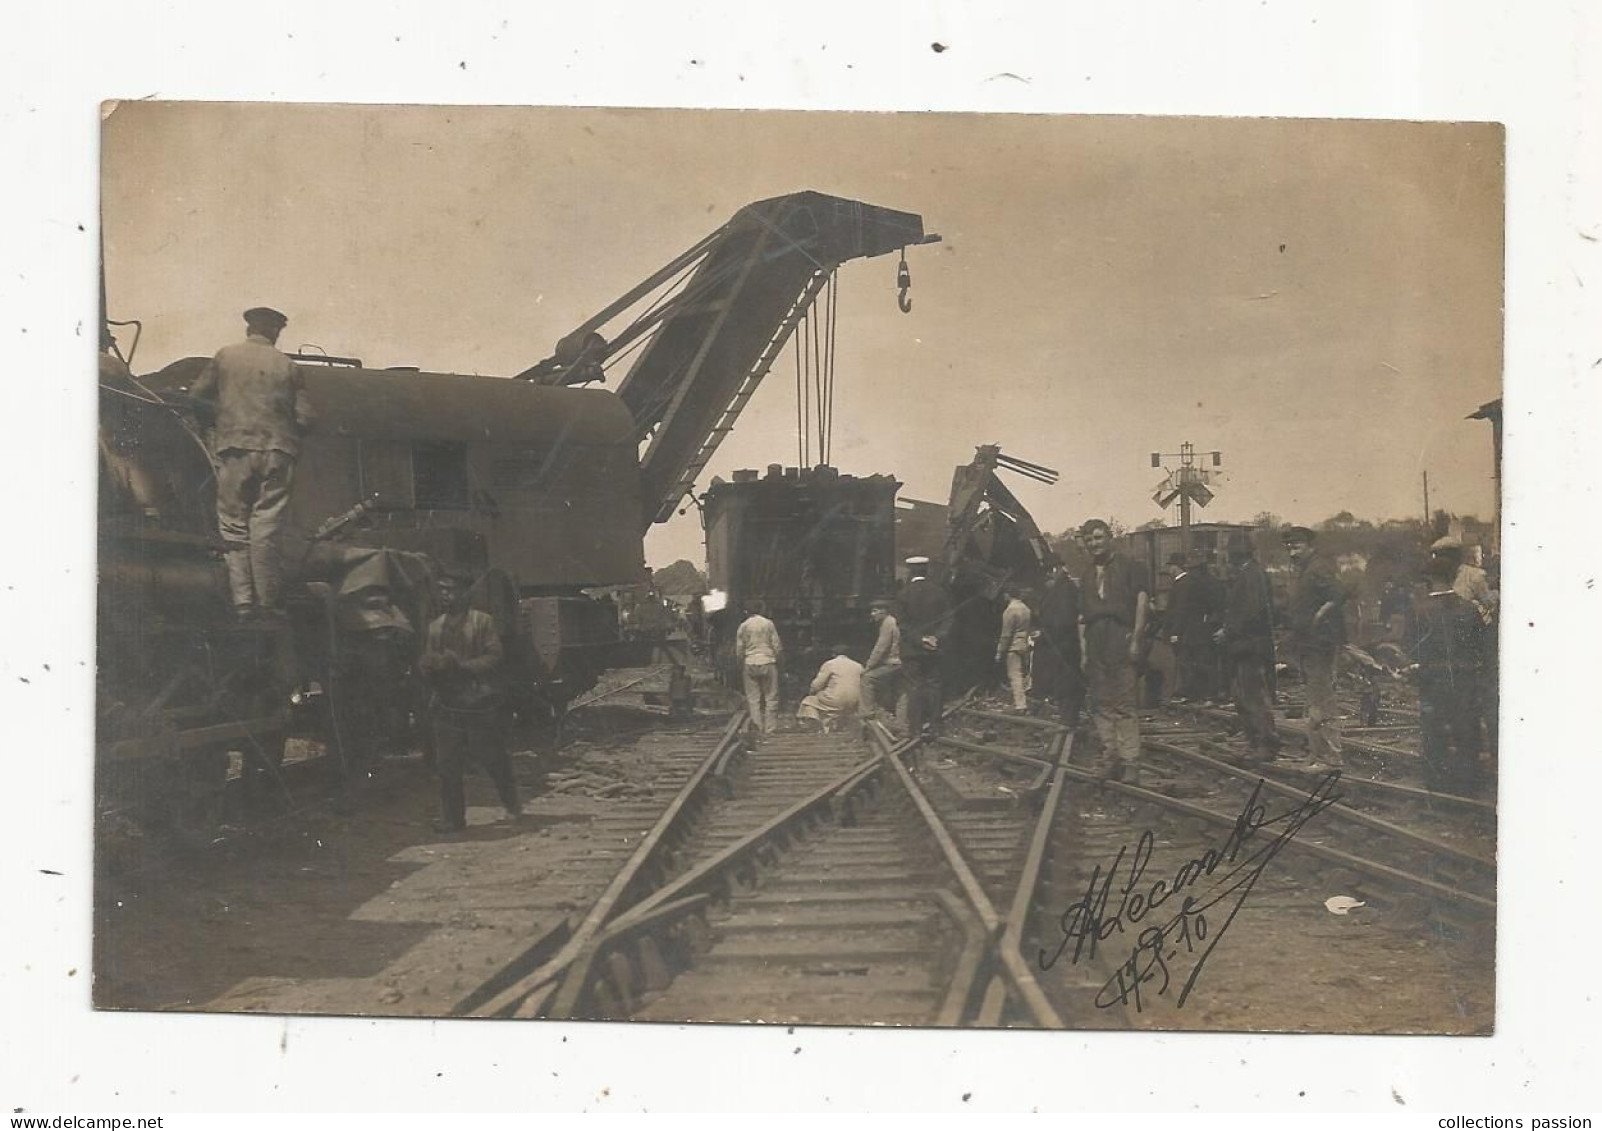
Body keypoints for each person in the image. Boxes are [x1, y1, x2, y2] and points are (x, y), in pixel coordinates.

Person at [188, 307, 314, 619]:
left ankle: (243, 601)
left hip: (235, 447)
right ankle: (267, 602)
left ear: (248, 329)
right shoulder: (289, 366)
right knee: (266, 526)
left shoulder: (225, 357)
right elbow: (307, 417)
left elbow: (196, 397)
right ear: (276, 331)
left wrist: (220, 420)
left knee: (233, 523)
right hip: (279, 452)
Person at [418, 568, 520, 834]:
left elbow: (494, 656)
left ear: (465, 593)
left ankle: (512, 804)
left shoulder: (482, 622)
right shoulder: (435, 627)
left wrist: (461, 666)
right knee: (447, 766)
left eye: (450, 590)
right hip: (447, 704)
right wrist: (429, 666)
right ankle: (453, 820)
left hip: (478, 702)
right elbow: (427, 659)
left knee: (493, 757)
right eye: (441, 590)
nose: (445, 595)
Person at [1407, 555, 1487, 794]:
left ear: (1429, 581)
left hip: (1433, 680)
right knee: (1466, 729)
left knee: (1434, 730)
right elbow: (1481, 647)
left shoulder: (1420, 611)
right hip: (1465, 679)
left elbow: (1412, 648)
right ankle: (1468, 783)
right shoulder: (1470, 609)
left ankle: (1437, 782)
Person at [1077, 519, 1150, 782]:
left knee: (1124, 704)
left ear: (1109, 537)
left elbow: (1142, 605)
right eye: (1089, 540)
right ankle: (1111, 757)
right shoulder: (1085, 575)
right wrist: (1084, 651)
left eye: (1098, 537)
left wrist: (1135, 640)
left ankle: (1131, 762)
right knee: (1101, 703)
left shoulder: (1131, 568)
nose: (1094, 543)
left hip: (1121, 636)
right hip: (1096, 640)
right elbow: (1082, 617)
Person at [1431, 535, 1499, 762]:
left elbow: (1489, 604)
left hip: (1472, 638)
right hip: (1449, 643)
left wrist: (1470, 612)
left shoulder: (1474, 575)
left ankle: (1482, 753)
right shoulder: (1439, 576)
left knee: (1476, 702)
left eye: (1446, 554)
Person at [1283, 524, 1346, 766]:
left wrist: (1320, 614)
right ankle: (1318, 753)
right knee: (1315, 699)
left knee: (1322, 700)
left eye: (1296, 546)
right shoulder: (1305, 569)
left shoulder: (1318, 567)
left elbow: (1338, 594)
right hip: (1309, 643)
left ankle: (1329, 756)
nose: (1292, 552)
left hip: (1320, 643)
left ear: (1309, 546)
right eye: (1289, 547)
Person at [1216, 540, 1280, 765]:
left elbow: (1251, 611)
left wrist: (1228, 631)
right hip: (1245, 646)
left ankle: (1265, 743)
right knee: (1244, 696)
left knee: (1253, 696)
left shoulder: (1250, 575)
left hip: (1250, 646)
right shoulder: (1250, 573)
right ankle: (1255, 743)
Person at [898, 556, 953, 737]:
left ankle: (915, 729)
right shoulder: (940, 592)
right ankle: (936, 728)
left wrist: (921, 639)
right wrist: (936, 638)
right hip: (935, 649)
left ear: (910, 571)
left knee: (914, 687)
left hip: (912, 650)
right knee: (935, 686)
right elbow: (948, 619)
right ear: (926, 570)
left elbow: (903, 625)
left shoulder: (903, 594)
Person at [1031, 564, 1084, 726]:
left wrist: (1044, 631)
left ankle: (1068, 721)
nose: (1048, 576)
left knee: (1067, 684)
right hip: (1060, 644)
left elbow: (1063, 620)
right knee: (1063, 683)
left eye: (1050, 571)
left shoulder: (1065, 590)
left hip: (1064, 646)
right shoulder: (1061, 588)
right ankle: (1067, 720)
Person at [1166, 549, 1218, 702]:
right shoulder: (1189, 583)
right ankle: (1197, 693)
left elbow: (1180, 610)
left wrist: (1175, 632)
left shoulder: (1182, 584)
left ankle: (1190, 693)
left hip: (1188, 631)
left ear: (1175, 567)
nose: (1169, 570)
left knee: (1188, 661)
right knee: (1195, 661)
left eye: (1170, 567)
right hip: (1194, 629)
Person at [735, 601, 783, 735]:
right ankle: (770, 729)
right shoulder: (768, 624)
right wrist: (780, 662)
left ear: (747, 611)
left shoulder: (743, 626)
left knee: (753, 699)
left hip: (750, 662)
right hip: (768, 661)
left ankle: (757, 728)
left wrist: (740, 664)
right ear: (761, 609)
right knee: (771, 697)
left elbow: (739, 649)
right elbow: (777, 645)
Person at [796, 644, 864, 733]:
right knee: (832, 704)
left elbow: (817, 684)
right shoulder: (859, 666)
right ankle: (834, 724)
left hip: (835, 698)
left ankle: (816, 727)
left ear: (833, 654)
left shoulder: (830, 664)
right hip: (855, 700)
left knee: (808, 701)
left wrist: (812, 692)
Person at [860, 598, 903, 729]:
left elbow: (880, 648)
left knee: (866, 679)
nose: (872, 614)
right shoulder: (892, 622)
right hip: (900, 661)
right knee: (900, 691)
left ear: (884, 611)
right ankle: (900, 720)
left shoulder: (887, 624)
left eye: (875, 611)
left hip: (893, 662)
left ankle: (868, 715)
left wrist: (868, 667)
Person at [995, 586, 1034, 713]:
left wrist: (1000, 651)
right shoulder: (1026, 608)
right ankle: (1023, 701)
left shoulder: (1010, 610)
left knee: (1014, 675)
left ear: (1008, 595)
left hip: (1013, 646)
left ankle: (1020, 705)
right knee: (1024, 674)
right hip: (1025, 644)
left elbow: (1006, 634)